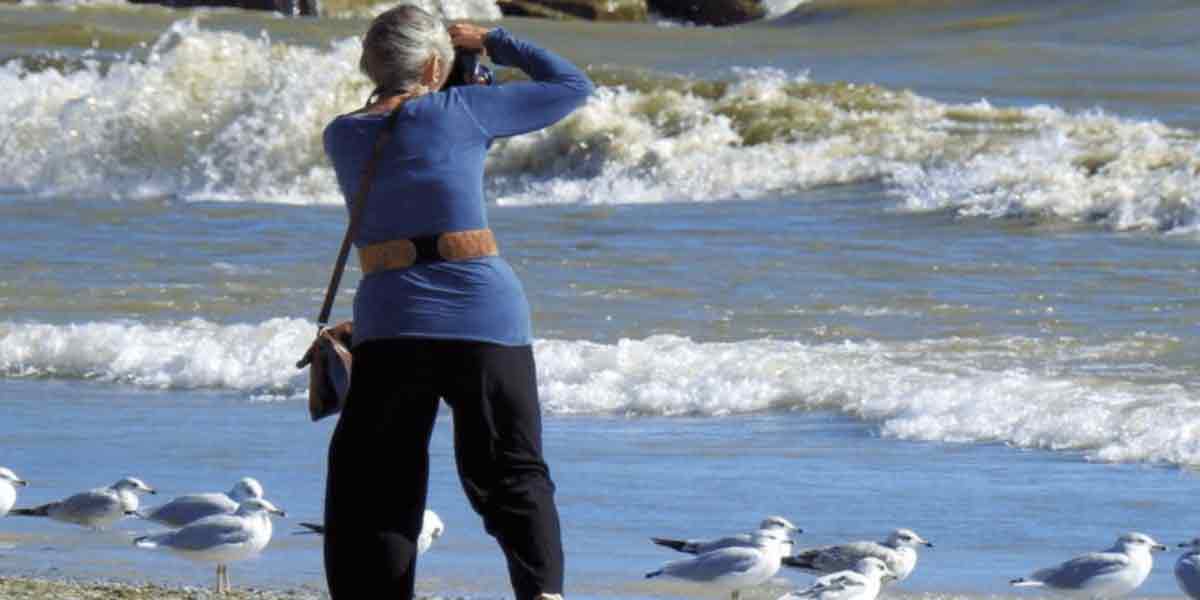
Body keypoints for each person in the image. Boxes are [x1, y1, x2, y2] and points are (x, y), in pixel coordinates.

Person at [319, 5, 593, 600]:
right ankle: (543, 594)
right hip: (484, 315)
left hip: (391, 323)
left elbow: (415, 147)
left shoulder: (342, 134)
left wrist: (456, 78)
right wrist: (497, 40)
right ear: (436, 63)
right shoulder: (462, 109)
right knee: (511, 473)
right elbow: (573, 87)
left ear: (371, 63)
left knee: (376, 487)